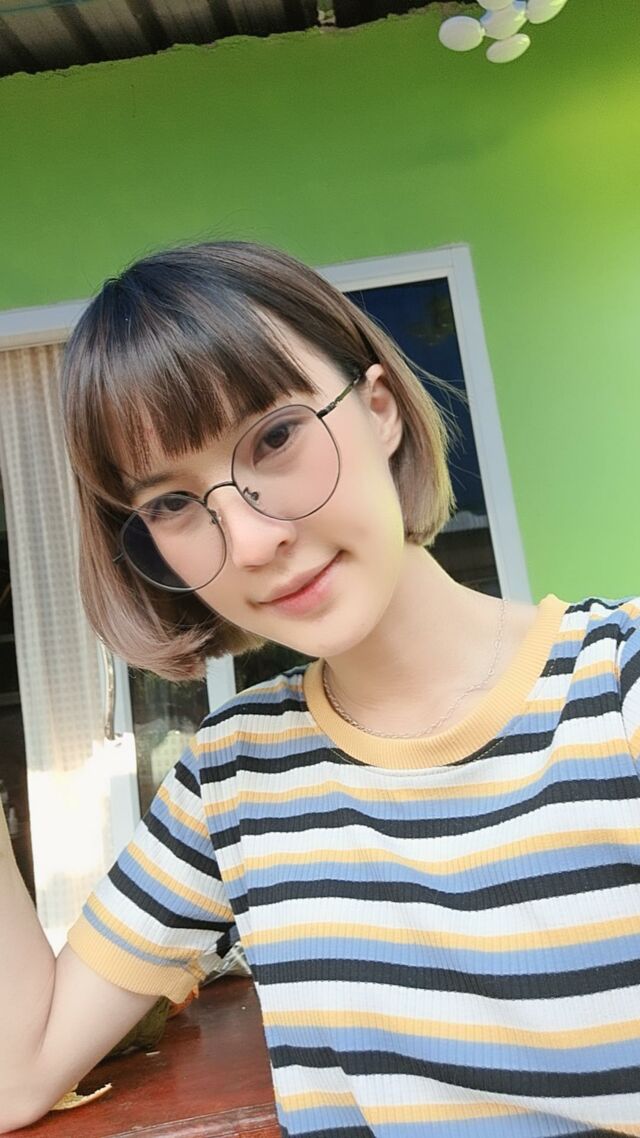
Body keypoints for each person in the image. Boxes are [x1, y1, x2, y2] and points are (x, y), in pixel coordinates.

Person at [1, 240, 639, 1137]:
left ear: (379, 410)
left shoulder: (616, 691)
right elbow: (17, 1072)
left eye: (275, 437)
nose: (251, 541)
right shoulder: (231, 779)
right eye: (173, 504)